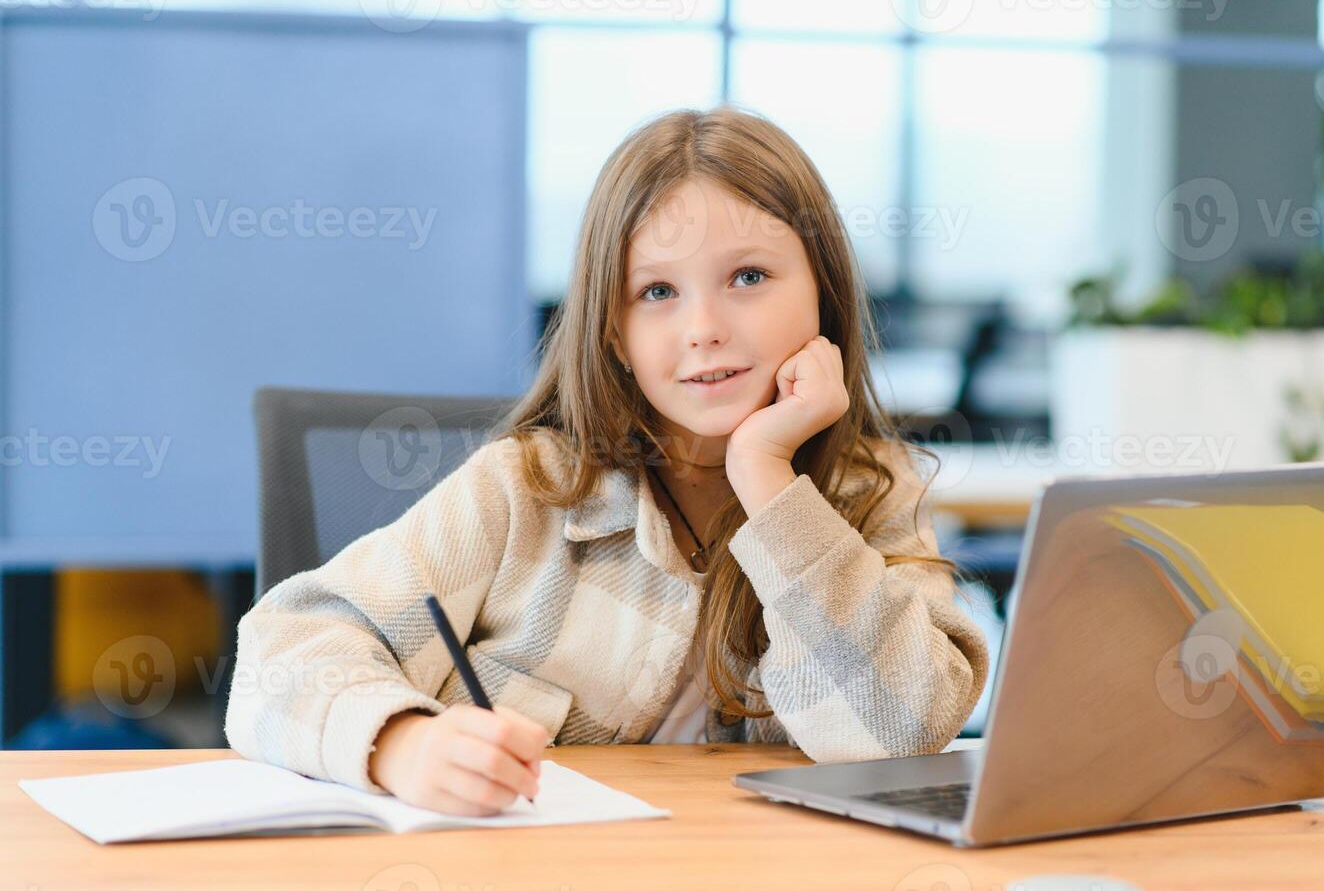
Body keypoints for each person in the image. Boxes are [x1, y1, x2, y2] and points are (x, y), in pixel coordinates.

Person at [224, 105, 990, 817]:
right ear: (613, 334)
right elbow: (277, 656)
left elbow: (895, 737)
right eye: (655, 290)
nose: (703, 327)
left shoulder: (871, 495)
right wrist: (400, 744)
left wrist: (768, 478)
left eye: (748, 277)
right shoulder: (524, 492)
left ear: (823, 292)